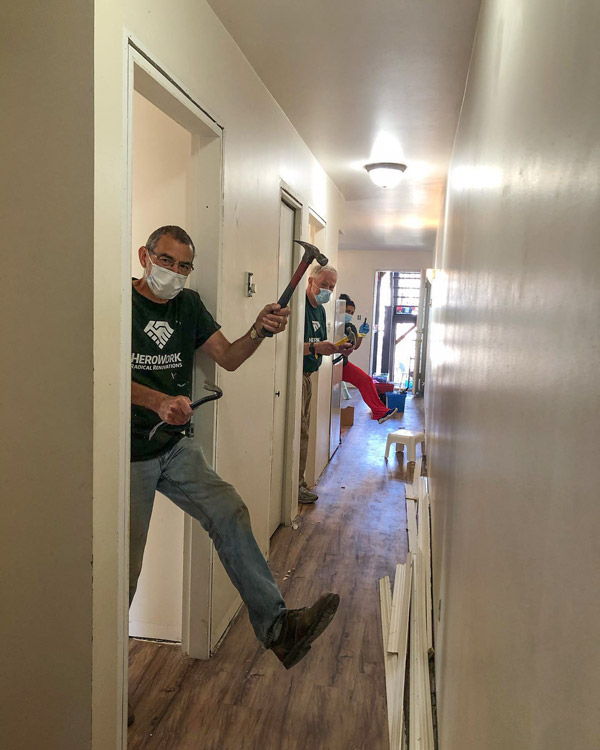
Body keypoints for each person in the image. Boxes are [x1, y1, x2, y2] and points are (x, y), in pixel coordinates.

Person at [129, 226, 339, 724]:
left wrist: (259, 330)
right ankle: (106, 690)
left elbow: (228, 357)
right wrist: (157, 398)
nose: (175, 273)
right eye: (167, 261)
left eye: (184, 266)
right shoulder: (119, 303)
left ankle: (277, 629)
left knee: (230, 509)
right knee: (125, 571)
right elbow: (100, 368)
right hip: (128, 453)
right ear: (145, 255)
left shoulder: (188, 305)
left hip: (174, 447)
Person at [299, 264, 352, 504]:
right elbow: (289, 349)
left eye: (332, 287)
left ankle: (298, 484)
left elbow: (318, 344)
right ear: (311, 281)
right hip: (295, 377)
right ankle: (295, 487)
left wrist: (334, 348)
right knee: (298, 432)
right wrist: (314, 348)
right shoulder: (299, 307)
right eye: (324, 285)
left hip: (309, 377)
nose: (327, 291)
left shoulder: (320, 310)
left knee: (304, 431)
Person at [338, 294, 397, 424]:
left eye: (352, 313)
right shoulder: (330, 322)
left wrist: (361, 335)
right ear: (339, 308)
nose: (349, 314)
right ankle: (380, 411)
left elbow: (355, 347)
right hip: (328, 364)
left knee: (366, 380)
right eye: (347, 311)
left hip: (342, 364)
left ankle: (379, 411)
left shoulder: (350, 328)